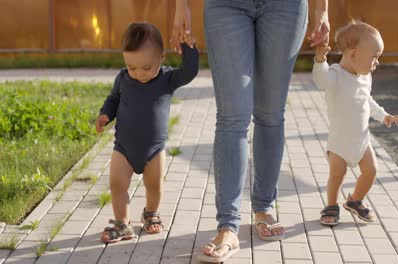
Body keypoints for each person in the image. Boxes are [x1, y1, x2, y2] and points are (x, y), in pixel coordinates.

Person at [172, 0, 330, 262]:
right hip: (226, 6)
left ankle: (264, 208)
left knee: (270, 113)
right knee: (233, 115)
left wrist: (322, 9)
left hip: (286, 7)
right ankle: (228, 226)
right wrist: (181, 5)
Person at [96, 22, 198, 243]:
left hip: (154, 150)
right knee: (117, 184)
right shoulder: (123, 78)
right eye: (132, 67)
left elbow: (190, 72)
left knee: (154, 186)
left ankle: (150, 213)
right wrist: (105, 115)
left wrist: (188, 47)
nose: (139, 73)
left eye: (146, 67)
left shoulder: (167, 79)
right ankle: (122, 223)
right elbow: (113, 100)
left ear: (161, 57)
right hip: (123, 147)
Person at [312, 21, 398, 226]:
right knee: (337, 174)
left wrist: (383, 115)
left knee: (371, 170)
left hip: (362, 139)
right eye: (374, 57)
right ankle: (331, 206)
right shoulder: (335, 75)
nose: (377, 63)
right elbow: (321, 81)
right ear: (353, 54)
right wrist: (320, 60)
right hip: (340, 141)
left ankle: (355, 200)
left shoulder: (365, 77)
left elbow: (367, 101)